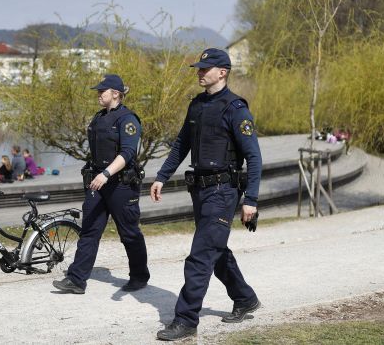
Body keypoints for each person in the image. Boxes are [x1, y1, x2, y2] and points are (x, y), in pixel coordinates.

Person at [150, 48, 263, 341]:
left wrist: (250, 199)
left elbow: (254, 156)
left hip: (224, 191)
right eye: (199, 69)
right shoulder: (197, 105)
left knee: (200, 255)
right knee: (215, 249)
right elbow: (180, 145)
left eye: (205, 69)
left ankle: (186, 320)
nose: (200, 73)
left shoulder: (235, 108)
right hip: (199, 190)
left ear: (222, 72)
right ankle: (245, 298)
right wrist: (162, 176)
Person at [53, 74, 150, 294]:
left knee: (129, 233)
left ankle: (139, 276)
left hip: (121, 185)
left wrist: (106, 173)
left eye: (102, 91)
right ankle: (76, 280)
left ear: (115, 94)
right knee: (89, 230)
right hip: (98, 183)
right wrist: (97, 174)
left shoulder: (128, 120)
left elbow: (127, 153)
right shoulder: (98, 118)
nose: (98, 95)